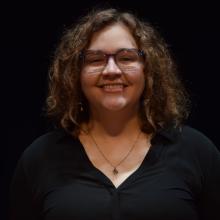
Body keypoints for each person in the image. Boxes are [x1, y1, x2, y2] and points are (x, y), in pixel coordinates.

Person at [9, 8, 220, 220]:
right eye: (95, 60)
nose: (111, 70)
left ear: (149, 70)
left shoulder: (198, 153)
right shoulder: (39, 159)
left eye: (126, 58)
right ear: (74, 75)